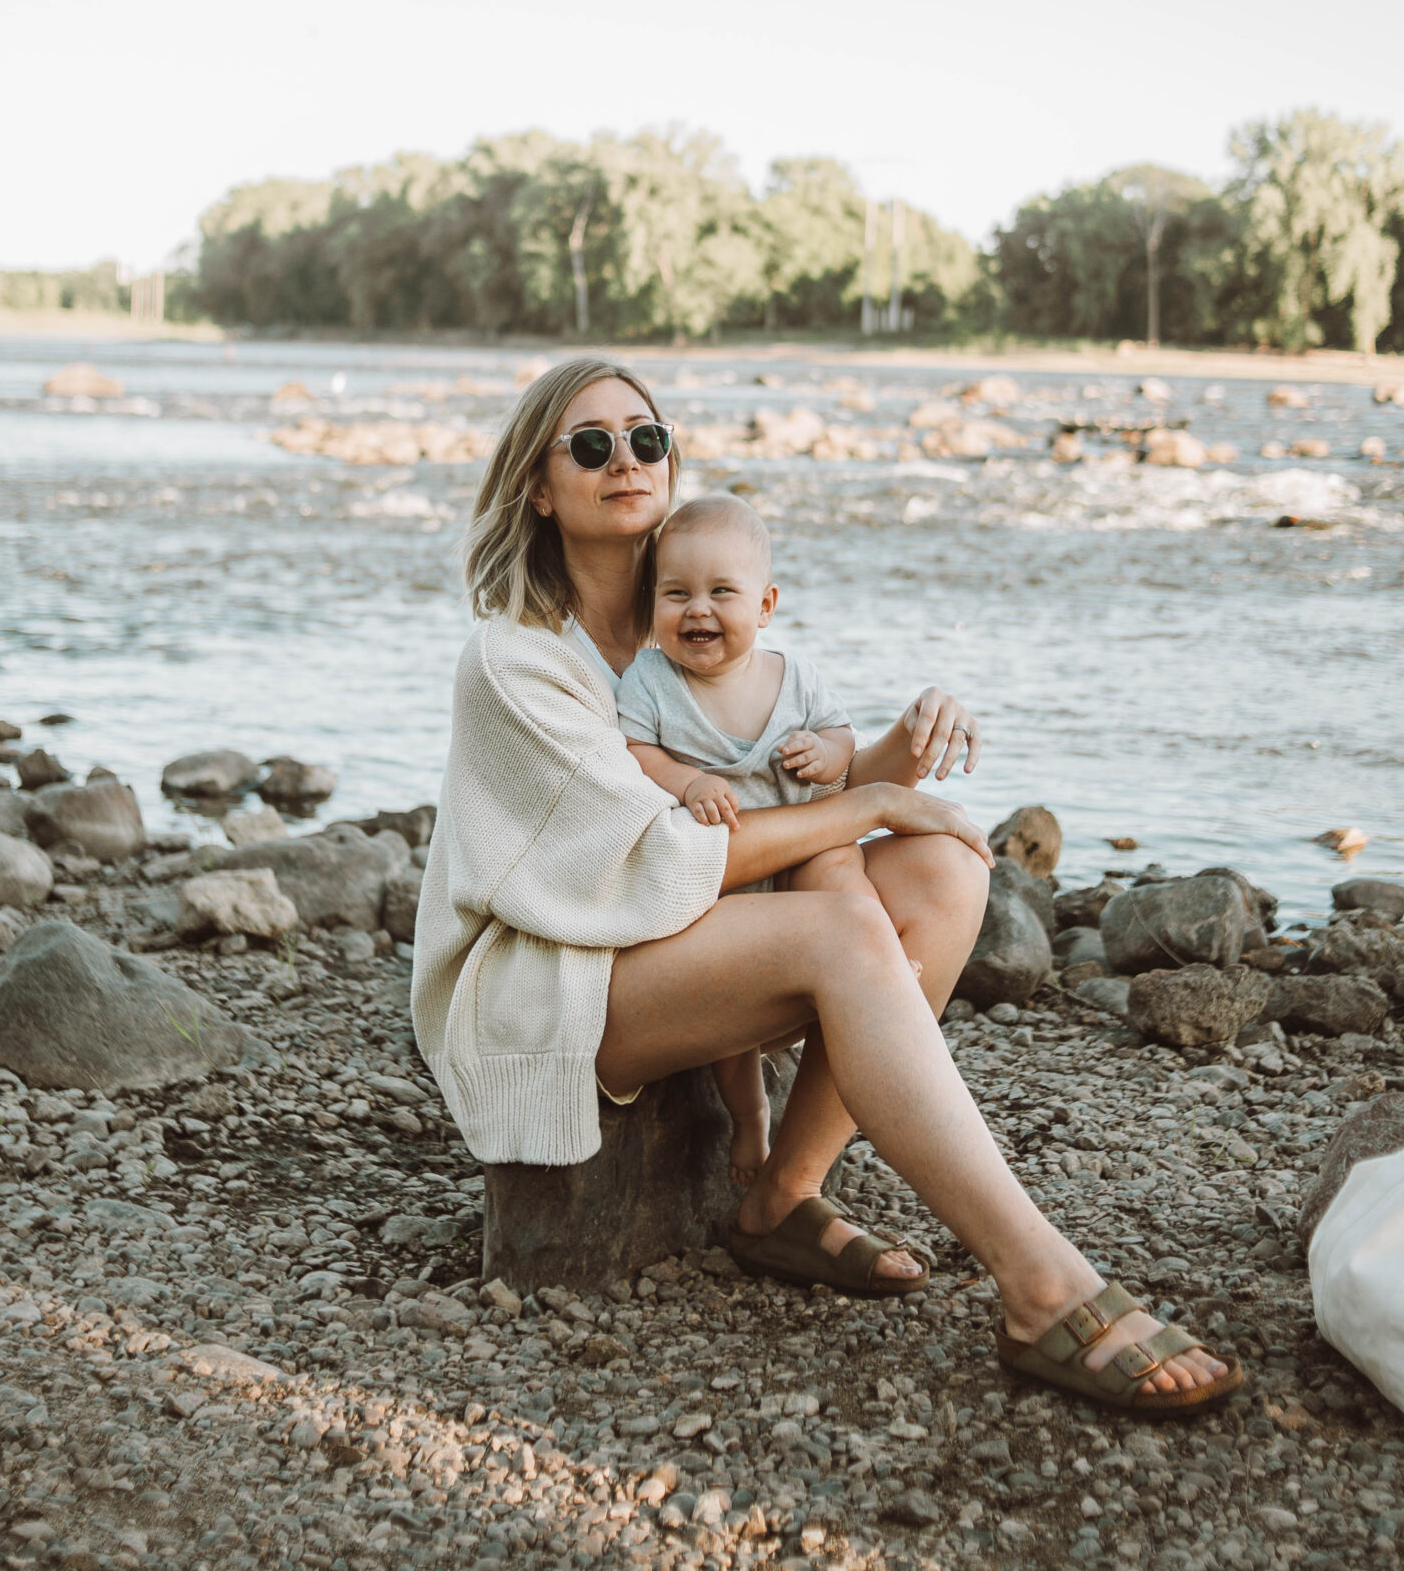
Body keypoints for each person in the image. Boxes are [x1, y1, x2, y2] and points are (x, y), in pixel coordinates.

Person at [412, 354, 1242, 1413]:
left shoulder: (704, 618)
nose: (625, 459)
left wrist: (905, 742)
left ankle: (782, 1197)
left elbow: (796, 781)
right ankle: (1044, 1287)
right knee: (843, 931)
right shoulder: (517, 660)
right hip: (551, 978)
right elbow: (652, 860)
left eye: (645, 437)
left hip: (678, 927)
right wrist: (862, 810)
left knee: (944, 867)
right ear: (539, 485)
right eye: (591, 444)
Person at [617, 490, 921, 1190]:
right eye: (676, 593)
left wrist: (827, 750)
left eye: (722, 592)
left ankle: (876, 968)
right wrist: (687, 781)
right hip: (722, 879)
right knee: (737, 1048)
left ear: (764, 606)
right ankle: (751, 1117)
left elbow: (844, 737)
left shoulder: (795, 676)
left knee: (840, 861)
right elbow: (633, 751)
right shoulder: (652, 681)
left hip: (801, 852)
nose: (698, 609)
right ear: (651, 605)